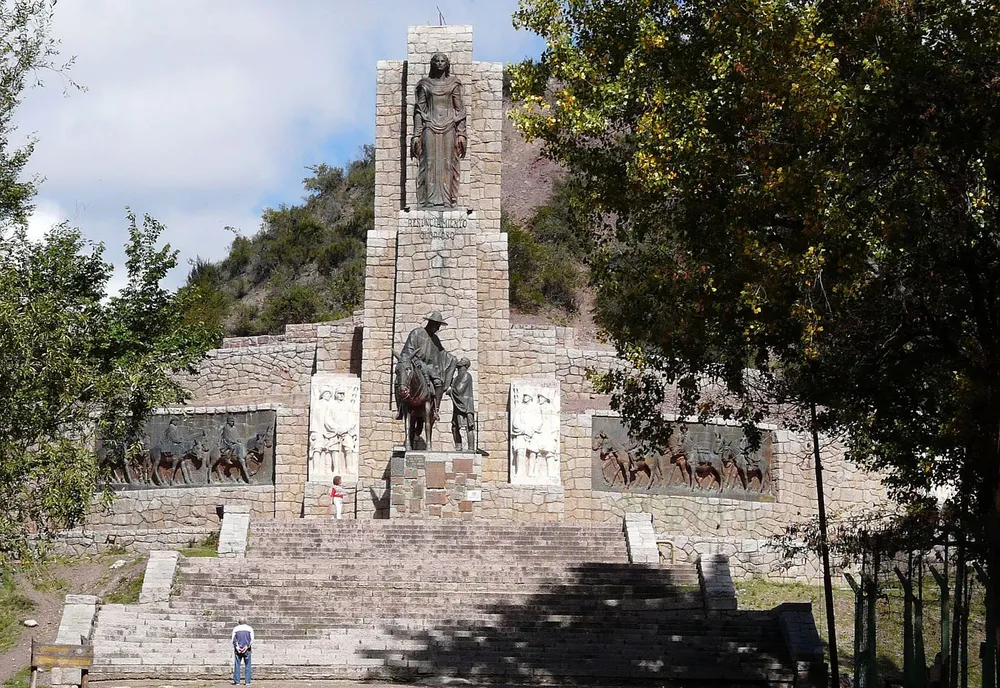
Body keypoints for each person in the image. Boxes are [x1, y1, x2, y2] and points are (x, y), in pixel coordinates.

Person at [410, 52, 467, 207]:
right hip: (429, 125)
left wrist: (461, 133)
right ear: (433, 64)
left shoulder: (453, 84)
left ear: (447, 64)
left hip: (449, 126)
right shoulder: (425, 85)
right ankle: (428, 201)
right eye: (437, 61)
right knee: (428, 163)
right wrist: (416, 135)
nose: (440, 63)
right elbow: (419, 111)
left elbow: (460, 110)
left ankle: (447, 201)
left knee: (448, 163)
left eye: (443, 61)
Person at [396, 311, 457, 421]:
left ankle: (436, 410)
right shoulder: (417, 333)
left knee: (439, 382)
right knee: (399, 381)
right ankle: (400, 409)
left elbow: (442, 353)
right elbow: (406, 352)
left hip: (429, 367)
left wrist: (453, 359)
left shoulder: (435, 339)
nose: (438, 329)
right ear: (431, 323)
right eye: (437, 326)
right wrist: (414, 360)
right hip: (414, 365)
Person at [449, 357, 476, 451]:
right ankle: (458, 447)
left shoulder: (466, 375)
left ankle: (471, 448)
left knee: (469, 426)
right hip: (458, 405)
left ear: (465, 364)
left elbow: (459, 390)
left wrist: (450, 391)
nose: (459, 361)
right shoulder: (457, 377)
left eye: (462, 360)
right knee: (454, 427)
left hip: (465, 405)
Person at [231, 618, 254, 685]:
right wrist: (246, 647)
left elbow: (233, 639)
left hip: (238, 649)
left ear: (239, 622)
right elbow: (251, 639)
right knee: (248, 665)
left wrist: (237, 647)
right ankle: (247, 682)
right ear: (245, 622)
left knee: (237, 665)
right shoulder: (250, 628)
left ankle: (237, 681)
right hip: (247, 649)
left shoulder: (235, 629)